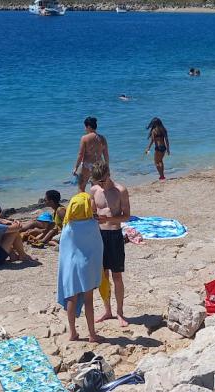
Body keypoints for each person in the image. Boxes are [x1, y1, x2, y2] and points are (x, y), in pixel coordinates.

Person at [56, 192, 103, 343]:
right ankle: (92, 334)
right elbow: (98, 247)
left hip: (71, 267)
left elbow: (63, 249)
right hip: (87, 267)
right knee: (89, 300)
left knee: (71, 298)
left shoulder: (67, 226)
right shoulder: (93, 224)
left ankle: (72, 333)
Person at [89, 164, 131, 326]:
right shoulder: (94, 190)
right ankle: (107, 310)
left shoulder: (120, 190)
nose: (100, 184)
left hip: (114, 234)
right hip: (99, 236)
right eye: (97, 181)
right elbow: (92, 212)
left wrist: (108, 219)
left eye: (102, 180)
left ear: (109, 174)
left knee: (117, 276)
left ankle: (120, 312)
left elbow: (126, 216)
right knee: (103, 276)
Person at [72, 117, 110, 193]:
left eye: (85, 127)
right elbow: (106, 155)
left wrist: (76, 167)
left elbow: (80, 154)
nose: (85, 129)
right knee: (96, 187)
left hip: (87, 165)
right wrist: (107, 167)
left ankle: (83, 203)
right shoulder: (102, 138)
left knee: (81, 186)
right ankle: (95, 204)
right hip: (98, 166)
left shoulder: (84, 138)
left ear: (89, 126)